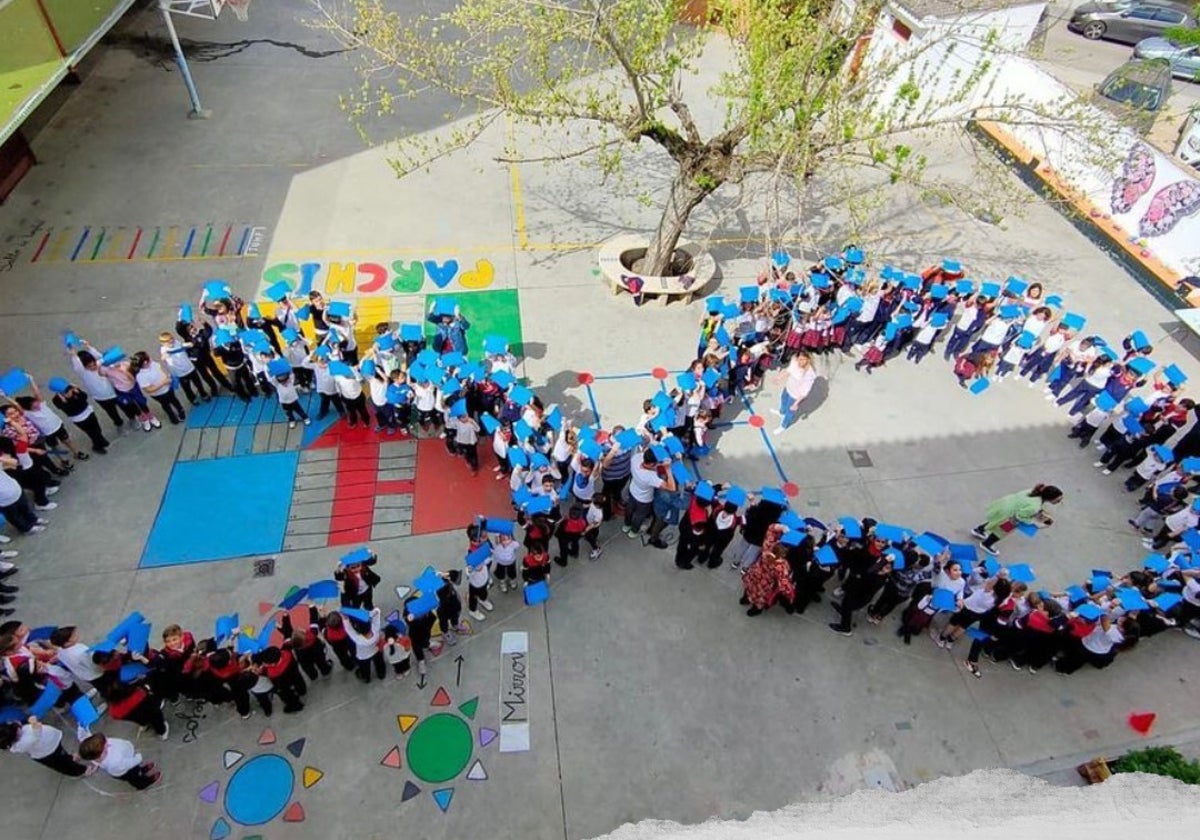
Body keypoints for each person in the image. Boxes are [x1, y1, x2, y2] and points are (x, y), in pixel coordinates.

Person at [970, 484, 1063, 557]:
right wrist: (1035, 522)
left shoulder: (1033, 491)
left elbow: (1026, 505)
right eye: (1057, 500)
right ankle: (986, 544)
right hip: (1010, 516)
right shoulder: (1035, 506)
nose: (1058, 502)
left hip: (1005, 505)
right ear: (1050, 498)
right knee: (1001, 531)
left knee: (995, 521)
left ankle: (979, 530)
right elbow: (1021, 517)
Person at [0, 717, 88, 777]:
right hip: (48, 752)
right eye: (17, 731)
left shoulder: (17, 734)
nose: (19, 728)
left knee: (63, 756)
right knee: (64, 765)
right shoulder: (21, 744)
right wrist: (33, 722)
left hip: (50, 745)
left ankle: (70, 758)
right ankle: (80, 771)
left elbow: (17, 723)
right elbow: (36, 733)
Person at [47, 378, 109, 454]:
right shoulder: (57, 400)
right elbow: (70, 409)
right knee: (91, 433)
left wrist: (78, 391)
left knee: (97, 428)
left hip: (88, 412)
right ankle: (97, 445)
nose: (68, 391)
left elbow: (84, 397)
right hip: (79, 419)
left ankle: (100, 440)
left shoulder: (74, 391)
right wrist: (67, 401)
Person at [78, 732, 160, 790]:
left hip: (125, 763)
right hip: (126, 770)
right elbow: (129, 763)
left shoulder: (97, 754)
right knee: (135, 777)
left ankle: (141, 770)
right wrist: (138, 758)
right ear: (101, 753)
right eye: (105, 745)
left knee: (136, 769)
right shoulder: (115, 762)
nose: (107, 742)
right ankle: (143, 784)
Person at [132, 351, 186, 425]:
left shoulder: (153, 364)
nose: (151, 358)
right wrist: (163, 383)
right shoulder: (140, 376)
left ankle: (180, 410)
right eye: (148, 357)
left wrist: (167, 377)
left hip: (168, 388)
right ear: (145, 362)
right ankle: (172, 415)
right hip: (158, 394)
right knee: (165, 405)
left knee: (174, 399)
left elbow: (161, 370)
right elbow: (148, 389)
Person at [771, 353, 818, 434]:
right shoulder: (795, 362)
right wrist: (778, 378)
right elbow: (788, 371)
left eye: (802, 360)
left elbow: (804, 392)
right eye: (799, 359)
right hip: (788, 388)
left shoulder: (809, 374)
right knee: (783, 398)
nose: (799, 361)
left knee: (790, 411)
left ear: (808, 360)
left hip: (795, 395)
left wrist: (796, 403)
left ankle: (783, 426)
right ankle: (781, 412)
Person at [0, 456, 47, 535]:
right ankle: (26, 528)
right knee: (14, 516)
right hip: (4, 500)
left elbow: (14, 463)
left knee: (25, 508)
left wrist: (1, 458)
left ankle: (33, 519)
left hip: (15, 489)